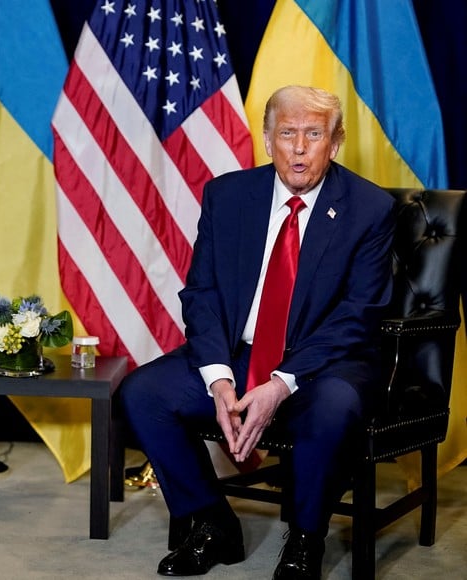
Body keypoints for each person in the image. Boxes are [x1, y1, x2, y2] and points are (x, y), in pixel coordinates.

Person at [119, 86, 395, 580]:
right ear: (268, 140)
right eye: (287, 133)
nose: (299, 148)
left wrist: (281, 383)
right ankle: (212, 523)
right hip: (241, 354)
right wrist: (219, 378)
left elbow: (358, 315)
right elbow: (202, 293)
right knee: (144, 392)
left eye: (314, 134)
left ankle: (306, 539)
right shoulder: (227, 196)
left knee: (333, 408)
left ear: (335, 143)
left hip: (327, 363)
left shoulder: (370, 208)